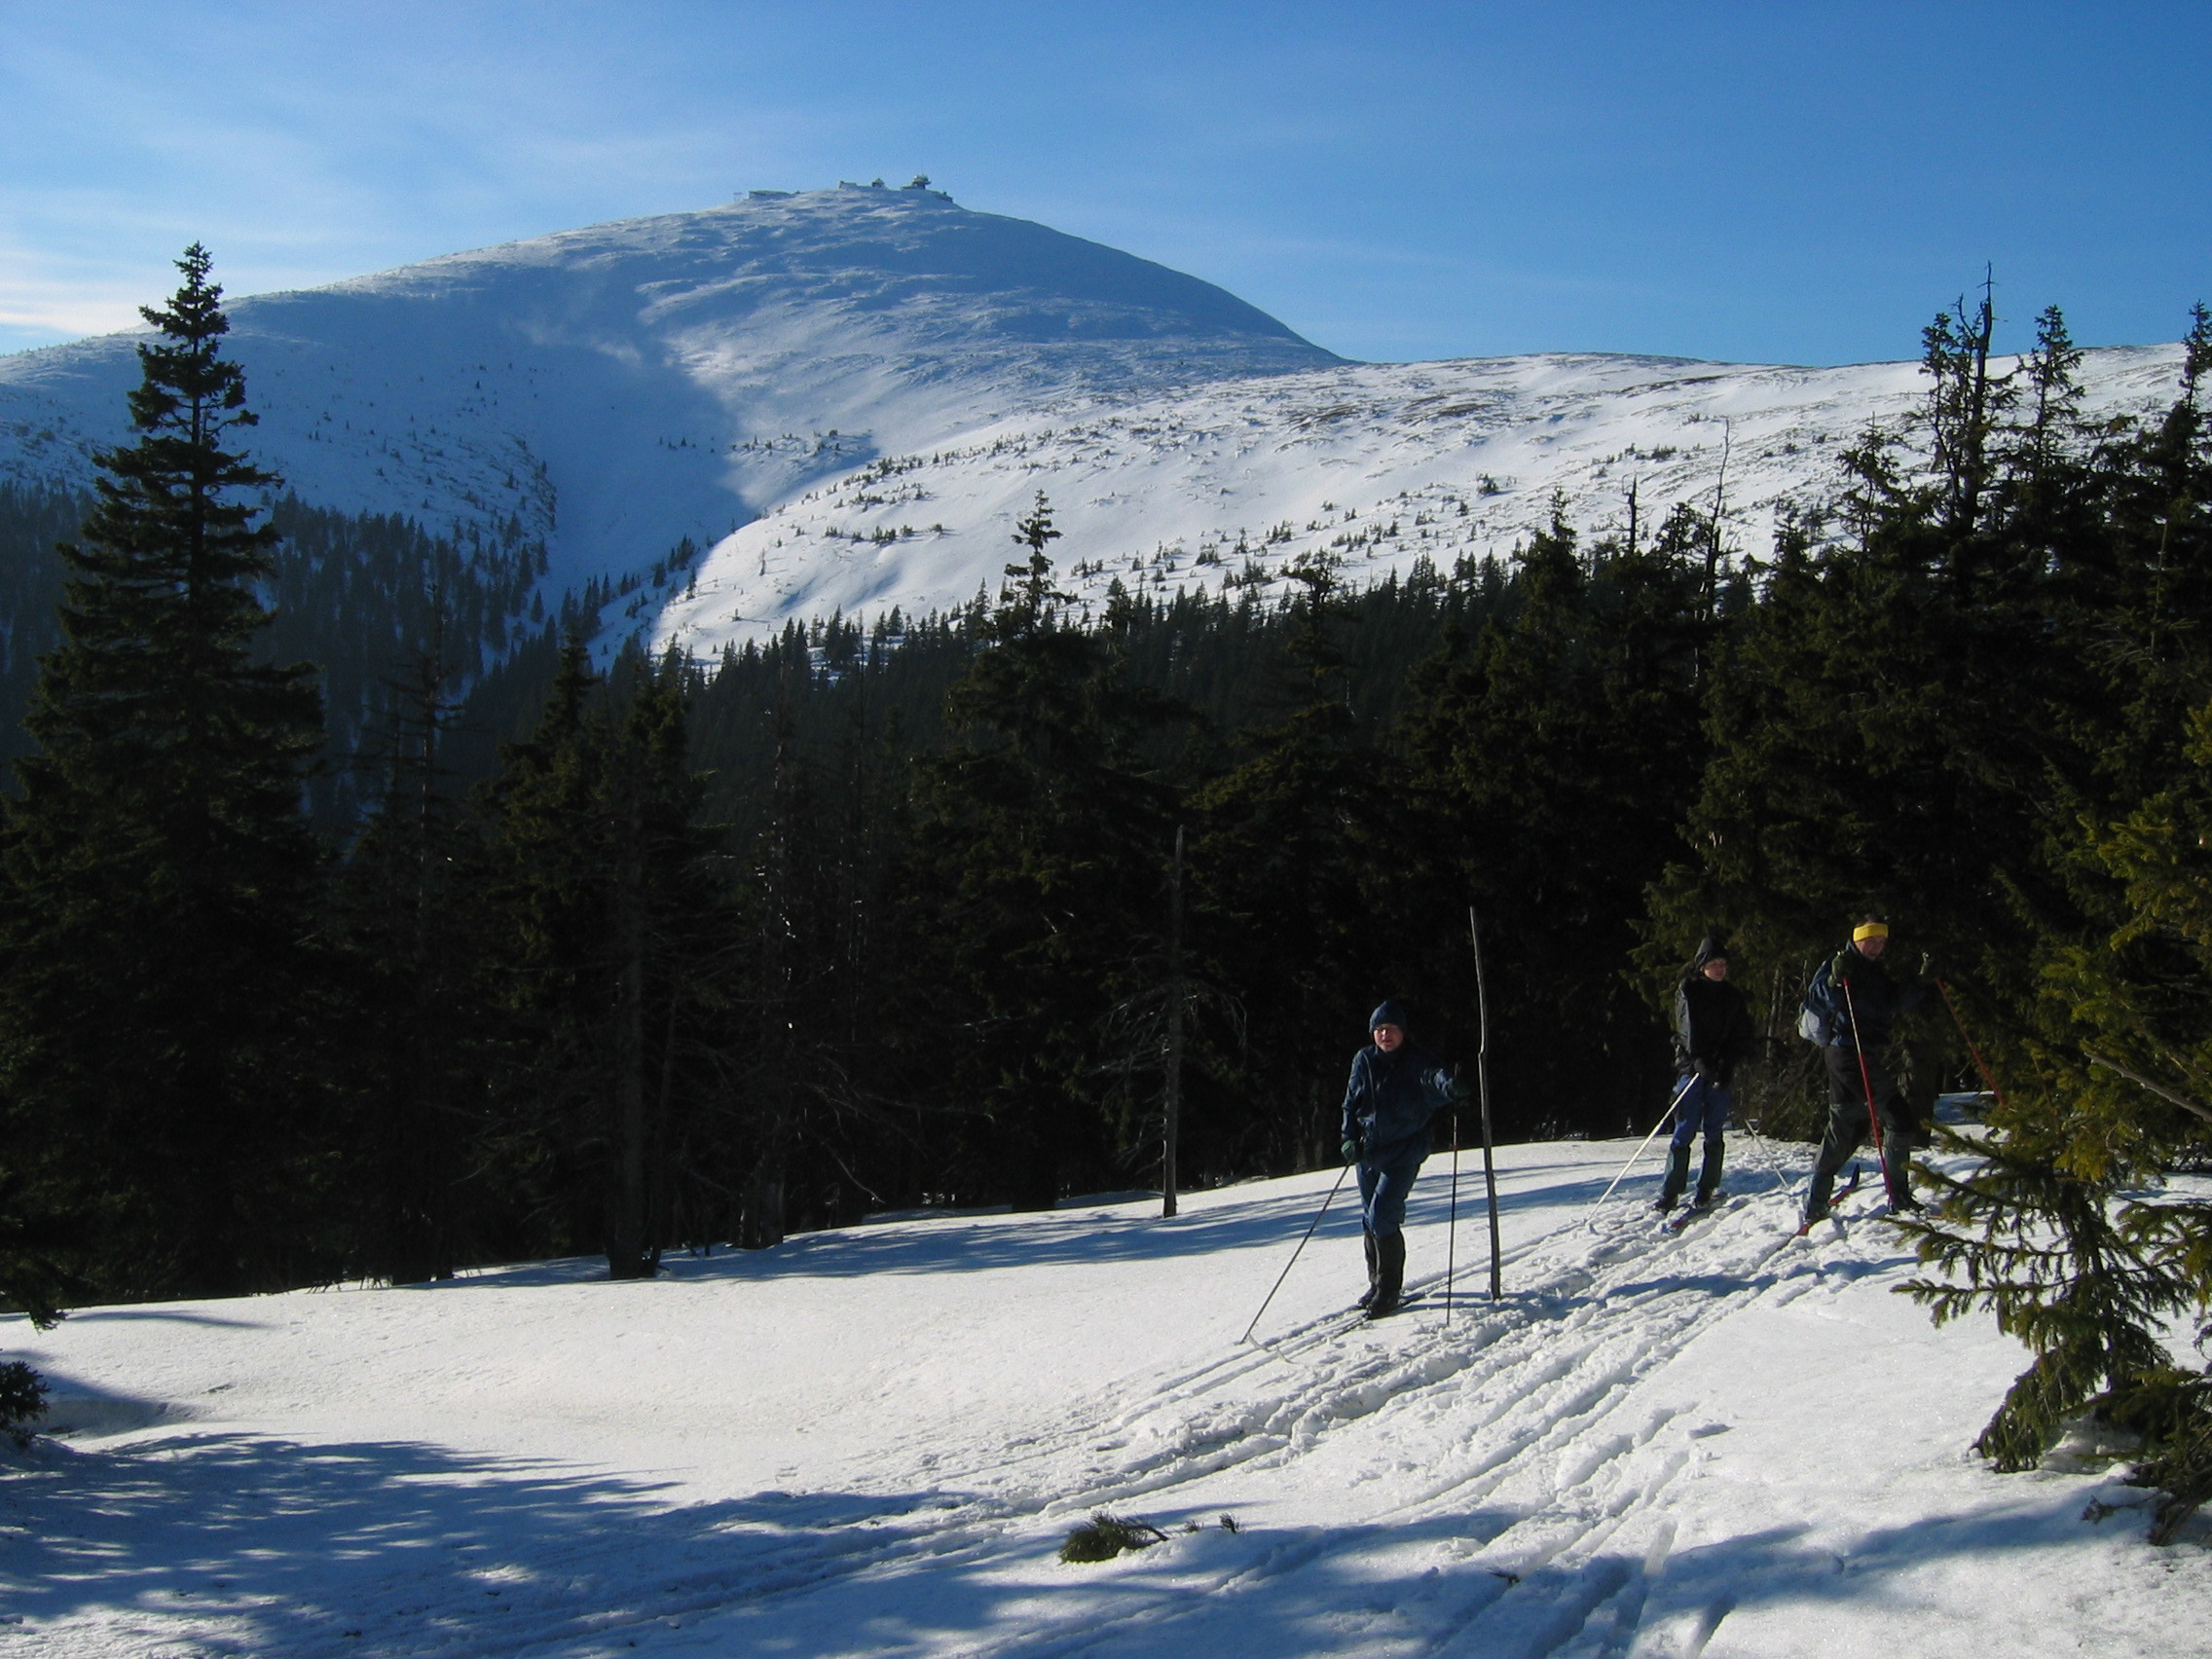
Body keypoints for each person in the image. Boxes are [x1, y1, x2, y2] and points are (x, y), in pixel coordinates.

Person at [1339, 1000, 1464, 1319]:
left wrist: (1450, 1087)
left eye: (1391, 1029)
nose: (1385, 1035)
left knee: (1383, 1215)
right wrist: (1348, 1138)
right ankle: (1376, 1282)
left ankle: (1389, 1291)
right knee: (1369, 1217)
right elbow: (1351, 1102)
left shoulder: (1417, 1059)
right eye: (1379, 1029)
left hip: (1405, 1150)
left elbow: (1434, 1077)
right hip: (1369, 1151)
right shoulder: (1364, 1060)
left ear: (1403, 1032)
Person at [1803, 916, 1927, 1222]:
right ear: (1857, 939)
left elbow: (1892, 1001)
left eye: (1881, 942)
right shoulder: (1840, 962)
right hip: (1847, 1052)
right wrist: (1834, 981)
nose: (1876, 947)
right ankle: (1899, 1196)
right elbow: (1816, 999)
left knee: (1848, 1123)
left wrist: (1921, 982)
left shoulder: (1874, 971)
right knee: (1898, 1118)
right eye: (1871, 941)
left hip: (1861, 1053)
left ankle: (1816, 1199)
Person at [1656, 936, 1756, 1213]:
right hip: (1691, 1068)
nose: (1719, 969)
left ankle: (1707, 1188)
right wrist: (1698, 1060)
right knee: (1685, 1128)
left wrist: (1727, 1064)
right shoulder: (1689, 989)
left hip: (1719, 1070)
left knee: (1714, 1130)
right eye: (1714, 964)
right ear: (1702, 966)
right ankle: (1671, 1191)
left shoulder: (1732, 996)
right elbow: (1687, 1029)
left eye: (1723, 964)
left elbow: (1741, 1035)